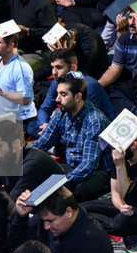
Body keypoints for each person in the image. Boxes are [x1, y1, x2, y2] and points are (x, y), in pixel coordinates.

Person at [30, 72, 109, 201]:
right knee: (38, 172)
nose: (57, 99)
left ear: (78, 97)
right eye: (58, 94)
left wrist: (62, 182)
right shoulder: (62, 113)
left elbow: (89, 164)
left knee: (78, 190)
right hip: (72, 165)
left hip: (96, 172)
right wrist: (22, 156)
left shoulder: (95, 120)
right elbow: (42, 143)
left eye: (63, 94)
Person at [8, 186, 117, 253]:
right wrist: (20, 217)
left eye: (50, 221)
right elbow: (14, 246)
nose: (46, 226)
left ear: (68, 212)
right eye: (44, 221)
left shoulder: (93, 241)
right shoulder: (47, 219)